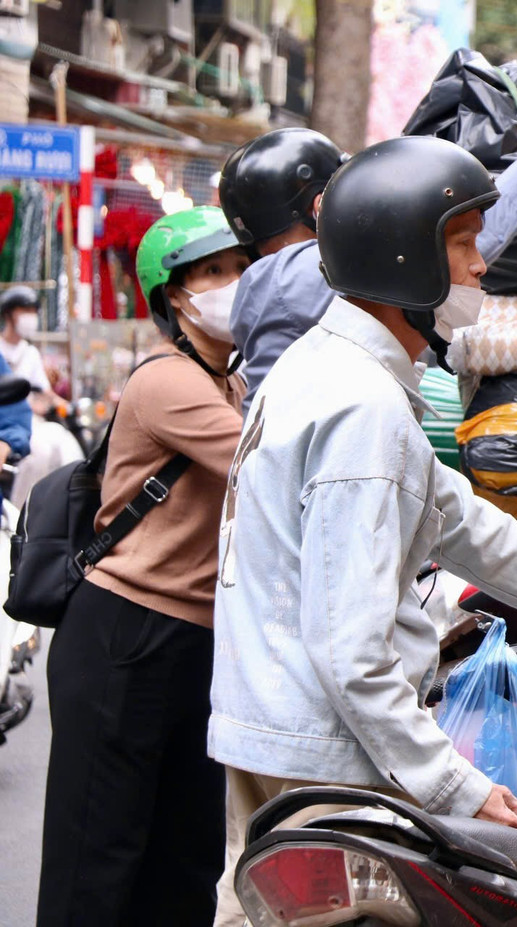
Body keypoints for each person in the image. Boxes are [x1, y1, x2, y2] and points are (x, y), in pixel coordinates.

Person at [208, 136, 517, 926]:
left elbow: (451, 512)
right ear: (402, 258)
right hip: (328, 756)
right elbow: (351, 653)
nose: (480, 265)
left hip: (276, 733)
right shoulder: (363, 409)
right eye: (461, 244)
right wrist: (459, 787)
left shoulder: (324, 367)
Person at [37, 206, 248, 926]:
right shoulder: (168, 382)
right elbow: (272, 467)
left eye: (241, 268)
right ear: (175, 297)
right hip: (124, 632)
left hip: (195, 640)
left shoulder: (231, 383)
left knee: (185, 859)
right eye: (212, 272)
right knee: (95, 860)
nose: (233, 284)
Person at [220, 113, 517, 410]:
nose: (477, 263)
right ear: (323, 205)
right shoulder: (295, 277)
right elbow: (430, 244)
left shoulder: (269, 282)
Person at [0, 285, 83, 500]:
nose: (30, 317)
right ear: (9, 313)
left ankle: (28, 516)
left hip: (25, 419)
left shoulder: (30, 353)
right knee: (39, 452)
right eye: (24, 311)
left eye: (32, 312)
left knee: (60, 445)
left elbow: (42, 392)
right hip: (21, 419)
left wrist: (66, 405)